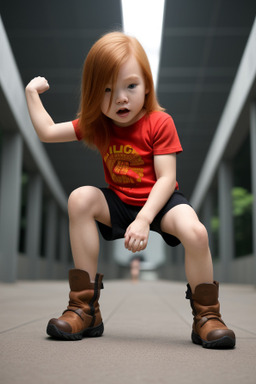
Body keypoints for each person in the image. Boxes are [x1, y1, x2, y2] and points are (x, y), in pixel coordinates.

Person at [25, 31, 235, 348]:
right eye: (107, 89)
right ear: (94, 94)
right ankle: (84, 308)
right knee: (80, 198)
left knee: (196, 233)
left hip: (161, 202)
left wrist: (144, 219)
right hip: (120, 200)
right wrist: (30, 93)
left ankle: (207, 316)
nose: (121, 97)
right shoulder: (98, 125)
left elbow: (166, 179)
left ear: (147, 86)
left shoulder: (159, 122)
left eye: (131, 86)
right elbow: (47, 131)